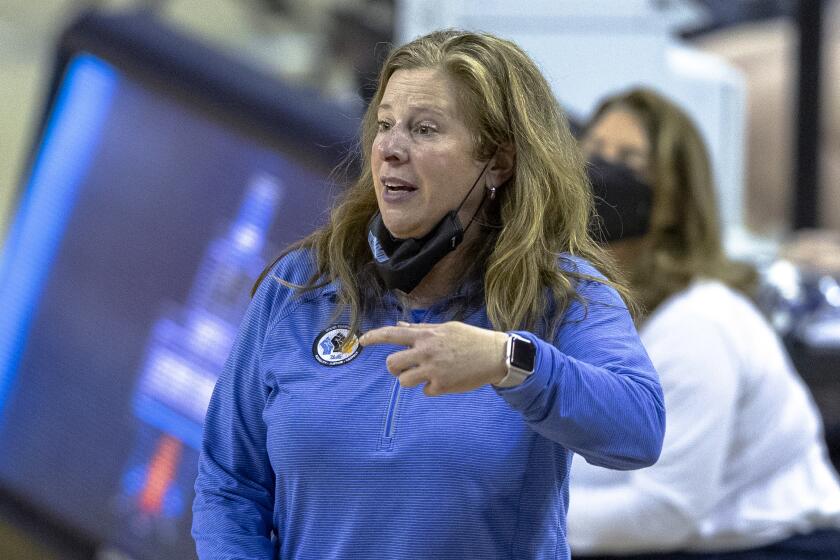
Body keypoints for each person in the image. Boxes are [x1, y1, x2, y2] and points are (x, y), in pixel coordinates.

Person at [191, 30, 666, 560]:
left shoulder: (563, 294)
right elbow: (230, 483)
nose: (392, 149)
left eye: (424, 129)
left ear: (498, 162)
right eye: (386, 125)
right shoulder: (301, 285)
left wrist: (506, 359)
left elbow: (639, 430)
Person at [569, 87, 840, 559]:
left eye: (629, 162)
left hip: (772, 546)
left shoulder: (697, 323)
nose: (603, 175)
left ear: (673, 200)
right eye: (595, 154)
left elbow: (663, 513)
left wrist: (515, 516)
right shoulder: (584, 302)